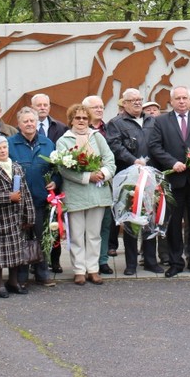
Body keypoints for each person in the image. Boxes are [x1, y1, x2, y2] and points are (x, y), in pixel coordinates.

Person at [149, 86, 190, 278]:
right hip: (173, 180)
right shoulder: (161, 121)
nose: (182, 101)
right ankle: (176, 261)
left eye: (185, 98)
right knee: (174, 223)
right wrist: (173, 162)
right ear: (171, 101)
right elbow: (155, 146)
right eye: (178, 98)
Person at [106, 88, 164, 275]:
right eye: (133, 100)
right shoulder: (115, 123)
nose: (138, 103)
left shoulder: (152, 120)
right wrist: (133, 160)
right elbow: (115, 146)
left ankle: (150, 260)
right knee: (130, 220)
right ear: (124, 103)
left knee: (149, 218)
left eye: (140, 99)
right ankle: (130, 263)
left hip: (150, 177)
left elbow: (158, 144)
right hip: (129, 178)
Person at [57, 104, 116, 285]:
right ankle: (79, 270)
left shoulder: (97, 137)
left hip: (97, 193)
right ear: (71, 120)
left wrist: (102, 174)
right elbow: (63, 168)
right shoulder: (64, 140)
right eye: (77, 118)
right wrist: (86, 176)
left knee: (93, 234)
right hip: (76, 194)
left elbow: (109, 160)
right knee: (76, 234)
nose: (81, 121)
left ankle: (93, 269)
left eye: (84, 118)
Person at [7, 107, 58, 287]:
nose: (29, 124)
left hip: (40, 200)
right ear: (19, 124)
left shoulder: (47, 143)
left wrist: (55, 181)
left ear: (37, 123)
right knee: (20, 239)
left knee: (41, 237)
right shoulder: (10, 143)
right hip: (18, 203)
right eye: (25, 121)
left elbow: (55, 168)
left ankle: (42, 274)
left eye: (32, 121)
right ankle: (21, 276)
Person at [0, 136, 36, 298]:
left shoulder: (16, 167)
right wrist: (7, 197)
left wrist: (29, 215)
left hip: (17, 217)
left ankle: (13, 281)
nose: (3, 151)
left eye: (4, 147)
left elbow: (26, 193)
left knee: (16, 252)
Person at [31, 93, 68, 274]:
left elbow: (62, 159)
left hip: (54, 186)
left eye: (45, 104)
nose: (43, 107)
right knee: (35, 227)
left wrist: (55, 180)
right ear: (32, 107)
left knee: (54, 223)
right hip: (35, 186)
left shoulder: (60, 127)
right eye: (39, 105)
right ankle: (35, 261)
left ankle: (56, 260)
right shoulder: (25, 128)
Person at [83, 95, 118, 273]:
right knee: (87, 227)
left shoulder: (111, 128)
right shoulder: (79, 130)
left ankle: (102, 260)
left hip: (106, 181)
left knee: (105, 222)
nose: (99, 109)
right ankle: (87, 262)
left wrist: (105, 173)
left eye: (101, 106)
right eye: (95, 107)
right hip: (85, 185)